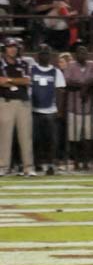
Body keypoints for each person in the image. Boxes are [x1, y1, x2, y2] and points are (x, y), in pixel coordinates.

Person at [0, 38, 36, 177]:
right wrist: (16, 82)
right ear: (5, 49)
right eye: (10, 46)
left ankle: (28, 167)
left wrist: (9, 80)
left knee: (26, 137)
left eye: (15, 46)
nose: (13, 49)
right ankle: (3, 167)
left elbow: (27, 80)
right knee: (5, 136)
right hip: (6, 102)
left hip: (23, 103)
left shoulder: (24, 63)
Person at [63, 44, 93, 170]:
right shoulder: (71, 65)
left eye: (84, 52)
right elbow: (67, 81)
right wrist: (83, 86)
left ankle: (87, 162)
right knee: (74, 137)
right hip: (74, 107)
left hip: (90, 106)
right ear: (75, 55)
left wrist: (86, 86)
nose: (82, 55)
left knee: (89, 137)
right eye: (79, 52)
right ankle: (76, 162)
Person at [30, 44, 65, 175]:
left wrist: (59, 110)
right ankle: (38, 163)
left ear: (50, 56)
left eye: (46, 53)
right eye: (42, 53)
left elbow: (60, 91)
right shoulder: (32, 70)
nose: (44, 56)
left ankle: (50, 164)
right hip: (35, 110)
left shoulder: (56, 71)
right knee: (36, 139)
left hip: (50, 110)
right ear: (37, 55)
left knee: (51, 140)